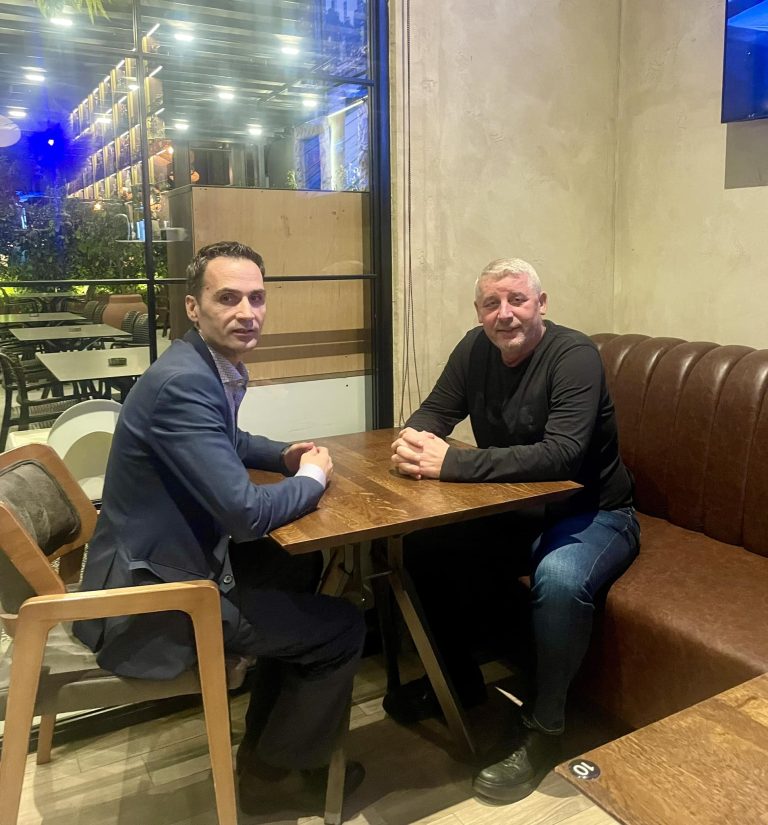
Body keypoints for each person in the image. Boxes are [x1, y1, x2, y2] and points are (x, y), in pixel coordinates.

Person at [74, 241, 365, 815]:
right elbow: (246, 515)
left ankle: (269, 742)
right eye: (228, 298)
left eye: (257, 298)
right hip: (155, 601)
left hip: (166, 563)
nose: (247, 312)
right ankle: (271, 776)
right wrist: (312, 478)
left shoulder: (198, 366)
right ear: (193, 306)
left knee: (299, 564)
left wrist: (284, 455)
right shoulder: (183, 383)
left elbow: (226, 438)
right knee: (342, 627)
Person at [388, 257, 640, 804]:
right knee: (422, 547)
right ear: (479, 311)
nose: (505, 314)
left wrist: (451, 463)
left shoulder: (574, 356)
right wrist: (412, 440)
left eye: (517, 300)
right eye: (491, 303)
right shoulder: (474, 349)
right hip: (519, 511)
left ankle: (544, 729)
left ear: (541, 304)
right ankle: (460, 684)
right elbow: (435, 412)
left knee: (559, 579)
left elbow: (563, 455)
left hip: (594, 511)